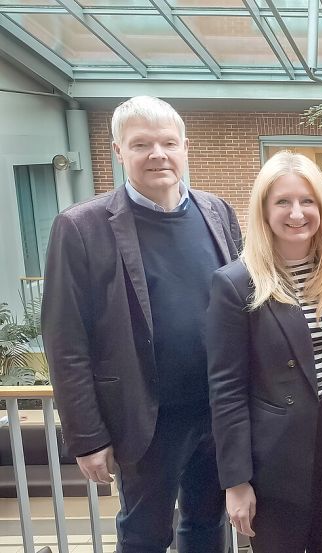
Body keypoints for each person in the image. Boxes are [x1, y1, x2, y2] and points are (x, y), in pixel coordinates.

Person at [41, 96, 238, 552]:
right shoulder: (81, 228)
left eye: (169, 142)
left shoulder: (218, 212)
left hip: (218, 410)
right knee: (144, 535)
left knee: (209, 528)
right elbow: (65, 341)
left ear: (185, 147)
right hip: (145, 420)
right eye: (141, 144)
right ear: (118, 150)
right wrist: (88, 437)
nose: (158, 155)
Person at [205, 151, 322, 552]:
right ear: (264, 209)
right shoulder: (236, 283)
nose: (297, 213)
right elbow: (226, 389)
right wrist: (236, 482)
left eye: (307, 201)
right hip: (273, 464)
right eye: (283, 202)